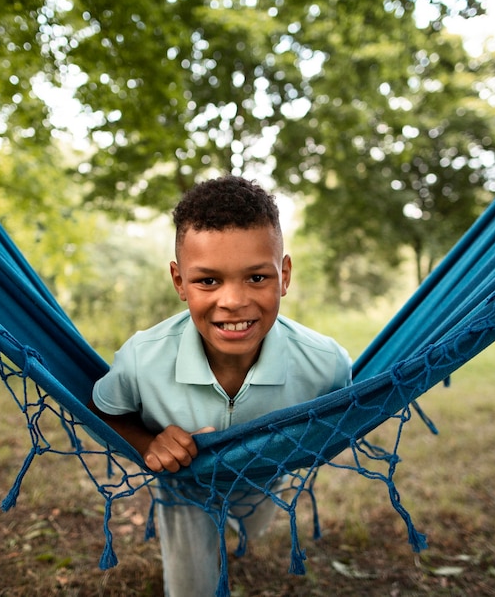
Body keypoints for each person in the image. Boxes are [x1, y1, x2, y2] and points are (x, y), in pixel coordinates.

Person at [89, 175, 351, 596]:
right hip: (185, 480)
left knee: (252, 525)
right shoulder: (144, 358)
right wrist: (146, 441)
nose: (233, 301)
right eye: (208, 281)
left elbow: (351, 412)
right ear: (179, 282)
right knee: (191, 578)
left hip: (266, 474)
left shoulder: (325, 363)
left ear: (284, 275)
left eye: (257, 278)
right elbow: (103, 408)